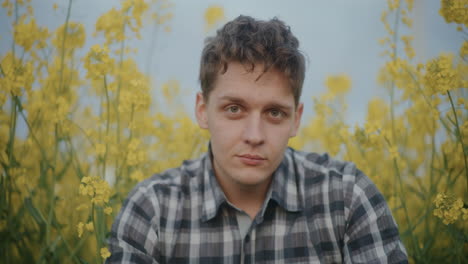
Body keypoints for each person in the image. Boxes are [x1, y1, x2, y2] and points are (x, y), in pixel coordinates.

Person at [107, 15, 408, 263]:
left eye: (275, 113)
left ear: (296, 119)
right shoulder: (152, 210)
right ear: (202, 111)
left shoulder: (347, 200)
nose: (254, 136)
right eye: (234, 109)